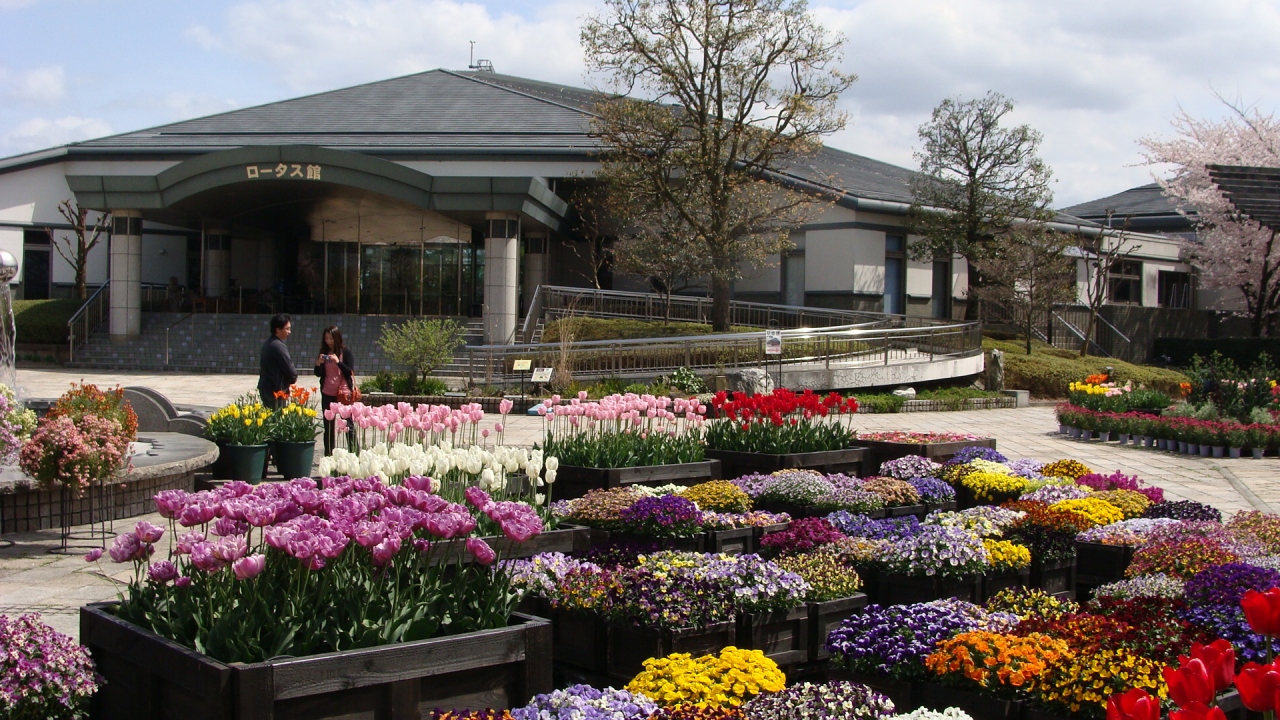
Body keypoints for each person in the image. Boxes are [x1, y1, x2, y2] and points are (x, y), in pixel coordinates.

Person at [314, 325, 355, 455]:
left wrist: (338, 362)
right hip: (327, 392)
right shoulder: (324, 352)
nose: (329, 341)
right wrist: (318, 363)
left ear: (337, 338)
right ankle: (328, 454)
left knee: (348, 425)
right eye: (326, 338)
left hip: (343, 393)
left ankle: (354, 452)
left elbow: (349, 371)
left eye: (331, 338)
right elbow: (318, 373)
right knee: (328, 426)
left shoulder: (345, 352)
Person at [258, 313, 297, 409]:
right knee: (277, 421)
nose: (289, 332)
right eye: (287, 329)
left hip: (266, 387)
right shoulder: (279, 346)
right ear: (278, 329)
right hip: (276, 390)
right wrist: (293, 378)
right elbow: (289, 368)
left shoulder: (268, 343)